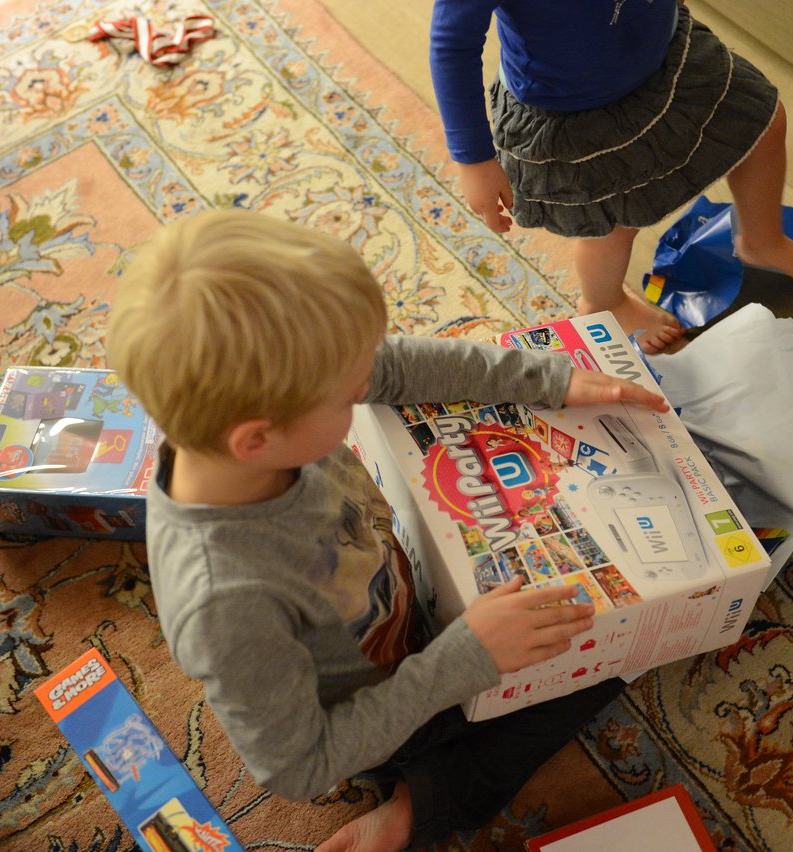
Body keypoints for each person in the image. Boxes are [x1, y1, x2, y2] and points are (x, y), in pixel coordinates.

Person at [105, 209, 672, 851]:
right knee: (617, 647)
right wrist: (463, 661)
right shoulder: (226, 604)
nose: (365, 389)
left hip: (408, 608)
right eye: (349, 396)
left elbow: (393, 367)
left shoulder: (257, 418)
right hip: (389, 712)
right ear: (257, 440)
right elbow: (298, 766)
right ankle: (417, 806)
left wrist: (550, 378)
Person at [430, 0, 793, 354]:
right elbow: (452, 45)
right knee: (612, 225)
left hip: (665, 59)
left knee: (763, 122)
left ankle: (763, 240)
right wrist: (473, 160)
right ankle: (603, 302)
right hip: (571, 112)